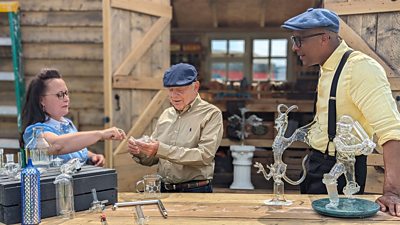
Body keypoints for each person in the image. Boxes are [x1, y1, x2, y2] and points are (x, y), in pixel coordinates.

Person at [282, 8, 400, 216]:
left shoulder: (360, 68)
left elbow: (392, 131)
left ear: (324, 38)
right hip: (317, 165)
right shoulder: (327, 67)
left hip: (343, 172)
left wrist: (393, 192)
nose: (294, 48)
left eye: (299, 40)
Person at [127, 63, 223, 193]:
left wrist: (160, 149)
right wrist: (140, 152)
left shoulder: (211, 114)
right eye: (171, 90)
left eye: (180, 90)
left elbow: (205, 156)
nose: (174, 96)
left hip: (195, 191)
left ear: (196, 87)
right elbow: (153, 159)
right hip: (163, 190)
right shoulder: (166, 114)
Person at [20, 68, 126, 166]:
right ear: (41, 100)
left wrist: (92, 156)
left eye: (66, 93)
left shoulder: (67, 123)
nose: (66, 99)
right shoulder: (34, 132)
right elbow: (57, 145)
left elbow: (74, 147)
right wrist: (101, 134)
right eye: (60, 94)